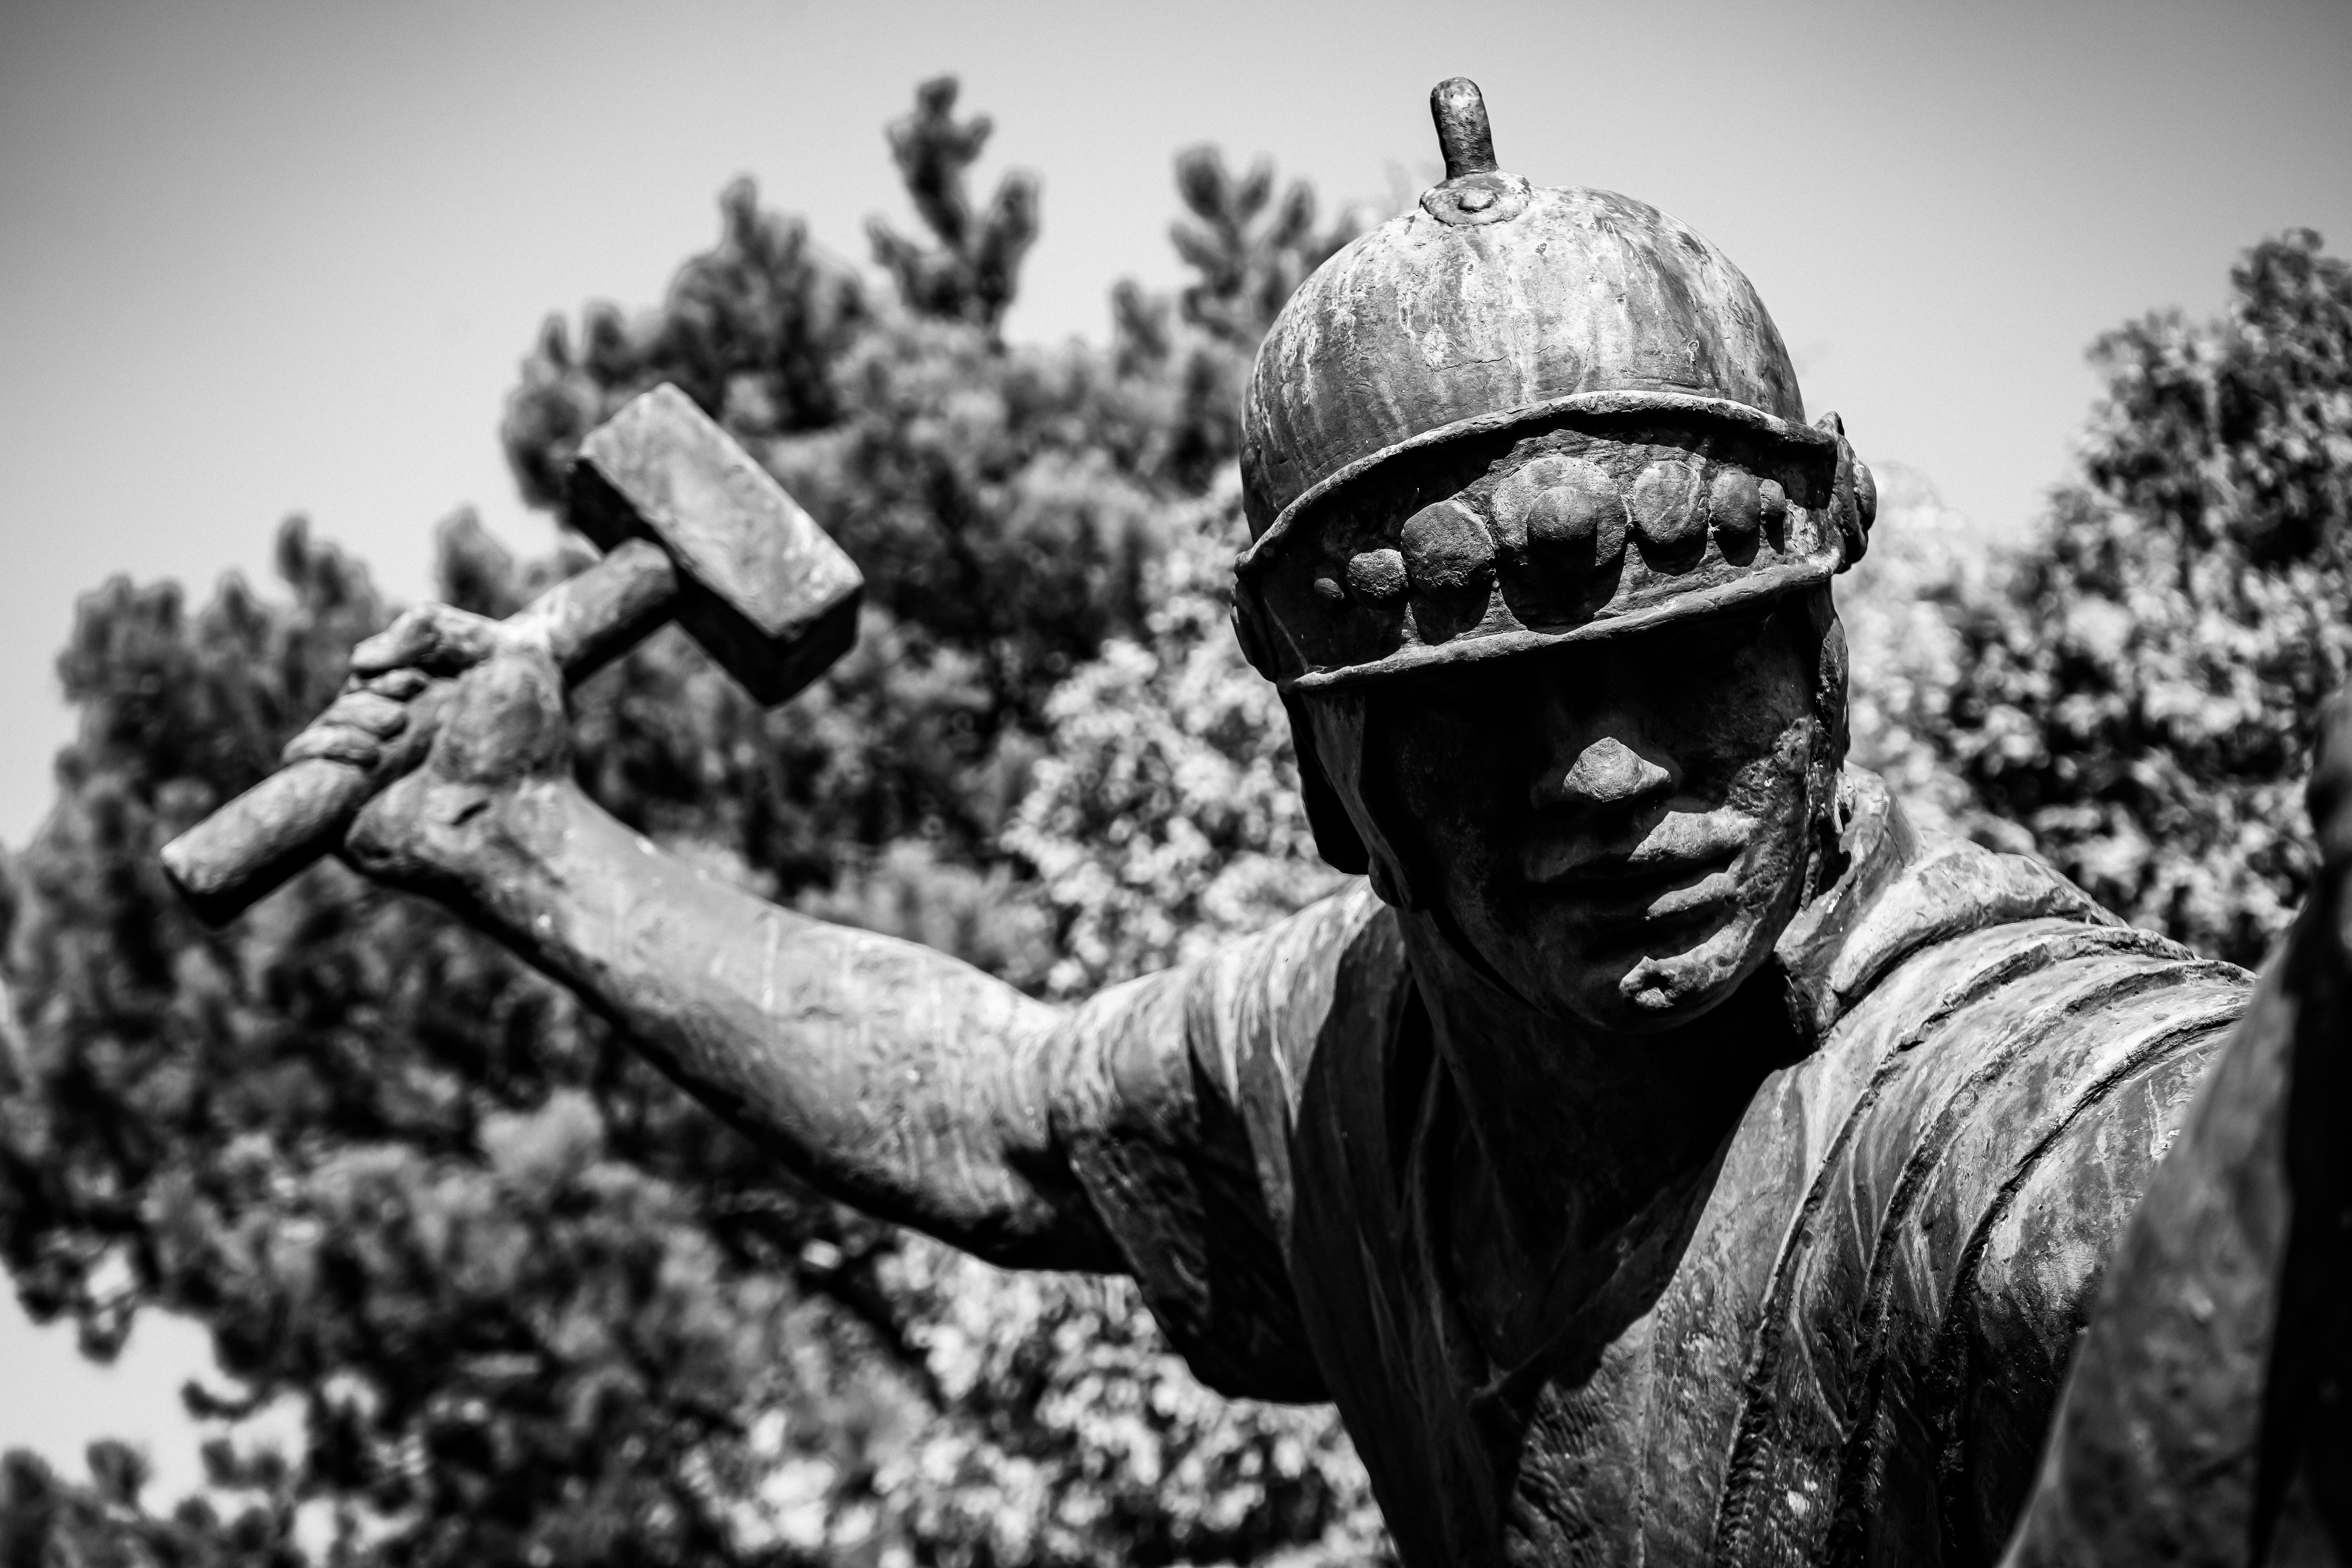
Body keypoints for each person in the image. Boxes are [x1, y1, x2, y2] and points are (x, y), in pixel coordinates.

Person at [280, 80, 2346, 1567]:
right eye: (1474, 705)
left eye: (1695, 654)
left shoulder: (1997, 1115)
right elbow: (988, 1105)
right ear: (1323, 776)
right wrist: (519, 833)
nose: (1605, 770)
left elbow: (2188, 1218)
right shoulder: (1349, 1059)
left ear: (1822, 647)